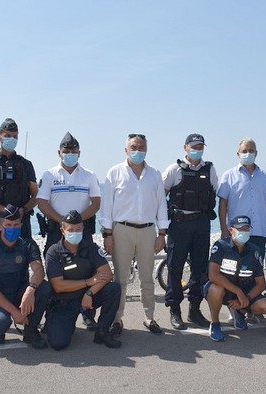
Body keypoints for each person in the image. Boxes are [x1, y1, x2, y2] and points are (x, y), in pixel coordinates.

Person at [100, 133, 169, 335]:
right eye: (133, 147)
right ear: (126, 150)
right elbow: (107, 207)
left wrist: (162, 233)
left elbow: (161, 205)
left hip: (148, 231)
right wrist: (107, 234)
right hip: (121, 230)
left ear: (146, 149)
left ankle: (149, 317)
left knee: (147, 278)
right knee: (121, 278)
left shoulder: (155, 174)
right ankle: (117, 319)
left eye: (141, 147)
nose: (137, 151)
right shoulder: (114, 173)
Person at [37, 132, 101, 330]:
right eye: (67, 151)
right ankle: (54, 311)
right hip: (57, 231)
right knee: (56, 272)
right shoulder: (49, 175)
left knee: (88, 268)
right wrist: (64, 223)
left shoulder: (89, 175)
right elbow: (41, 202)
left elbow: (96, 202)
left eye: (74, 151)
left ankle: (88, 313)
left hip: (82, 231)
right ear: (59, 153)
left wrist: (77, 223)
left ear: (79, 152)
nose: (70, 154)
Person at [162, 133, 217, 330]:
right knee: (175, 267)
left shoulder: (209, 169)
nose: (197, 149)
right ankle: (174, 309)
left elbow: (216, 194)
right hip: (179, 225)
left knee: (200, 268)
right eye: (194, 146)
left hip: (201, 223)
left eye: (201, 146)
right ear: (185, 147)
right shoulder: (173, 170)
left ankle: (195, 309)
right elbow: (161, 197)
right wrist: (161, 226)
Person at [44, 211, 121, 350]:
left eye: (78, 229)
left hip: (87, 298)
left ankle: (102, 331)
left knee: (113, 289)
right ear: (62, 231)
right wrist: (88, 282)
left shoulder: (91, 247)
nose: (75, 233)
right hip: (64, 301)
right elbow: (58, 286)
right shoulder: (54, 252)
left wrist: (89, 293)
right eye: (71, 230)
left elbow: (107, 274)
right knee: (58, 344)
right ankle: (61, 324)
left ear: (83, 229)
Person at [0, 205, 50, 348]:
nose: (12, 228)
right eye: (8, 225)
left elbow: (39, 270)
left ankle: (30, 330)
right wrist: (15, 312)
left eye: (16, 225)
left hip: (20, 292)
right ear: (0, 226)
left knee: (44, 287)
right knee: (0, 323)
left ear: (21, 225)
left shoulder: (27, 244)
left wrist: (30, 290)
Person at [205, 216, 266, 342]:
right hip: (224, 289)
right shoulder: (220, 246)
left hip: (245, 290)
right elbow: (213, 275)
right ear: (231, 230)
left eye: (246, 228)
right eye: (240, 229)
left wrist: (246, 298)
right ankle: (214, 324)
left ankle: (239, 312)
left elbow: (261, 284)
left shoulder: (254, 251)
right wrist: (238, 292)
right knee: (215, 289)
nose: (244, 231)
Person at [0, 118, 38, 242]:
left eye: (15, 136)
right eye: (8, 136)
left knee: (25, 258)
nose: (12, 139)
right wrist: (5, 211)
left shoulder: (26, 164)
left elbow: (36, 194)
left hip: (21, 223)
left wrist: (23, 210)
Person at [218, 137, 266, 255]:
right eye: (244, 151)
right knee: (235, 266)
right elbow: (222, 204)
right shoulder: (229, 176)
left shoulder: (264, 177)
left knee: (256, 267)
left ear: (256, 153)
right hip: (236, 232)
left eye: (251, 151)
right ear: (238, 154)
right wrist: (224, 228)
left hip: (260, 231)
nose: (248, 153)